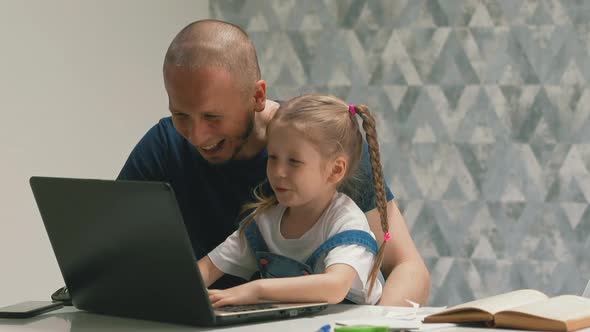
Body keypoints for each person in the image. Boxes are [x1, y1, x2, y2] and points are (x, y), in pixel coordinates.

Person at [118, 19, 430, 305]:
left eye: (212, 117)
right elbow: (111, 253)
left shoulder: (320, 147)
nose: (197, 136)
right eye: (181, 115)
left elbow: (407, 266)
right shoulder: (164, 146)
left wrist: (382, 326)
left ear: (257, 95)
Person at [199, 95, 386, 306]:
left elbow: (334, 287)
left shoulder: (346, 223)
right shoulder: (264, 222)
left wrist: (256, 290)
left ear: (335, 170)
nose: (278, 172)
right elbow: (205, 269)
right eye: (272, 157)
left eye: (294, 161)